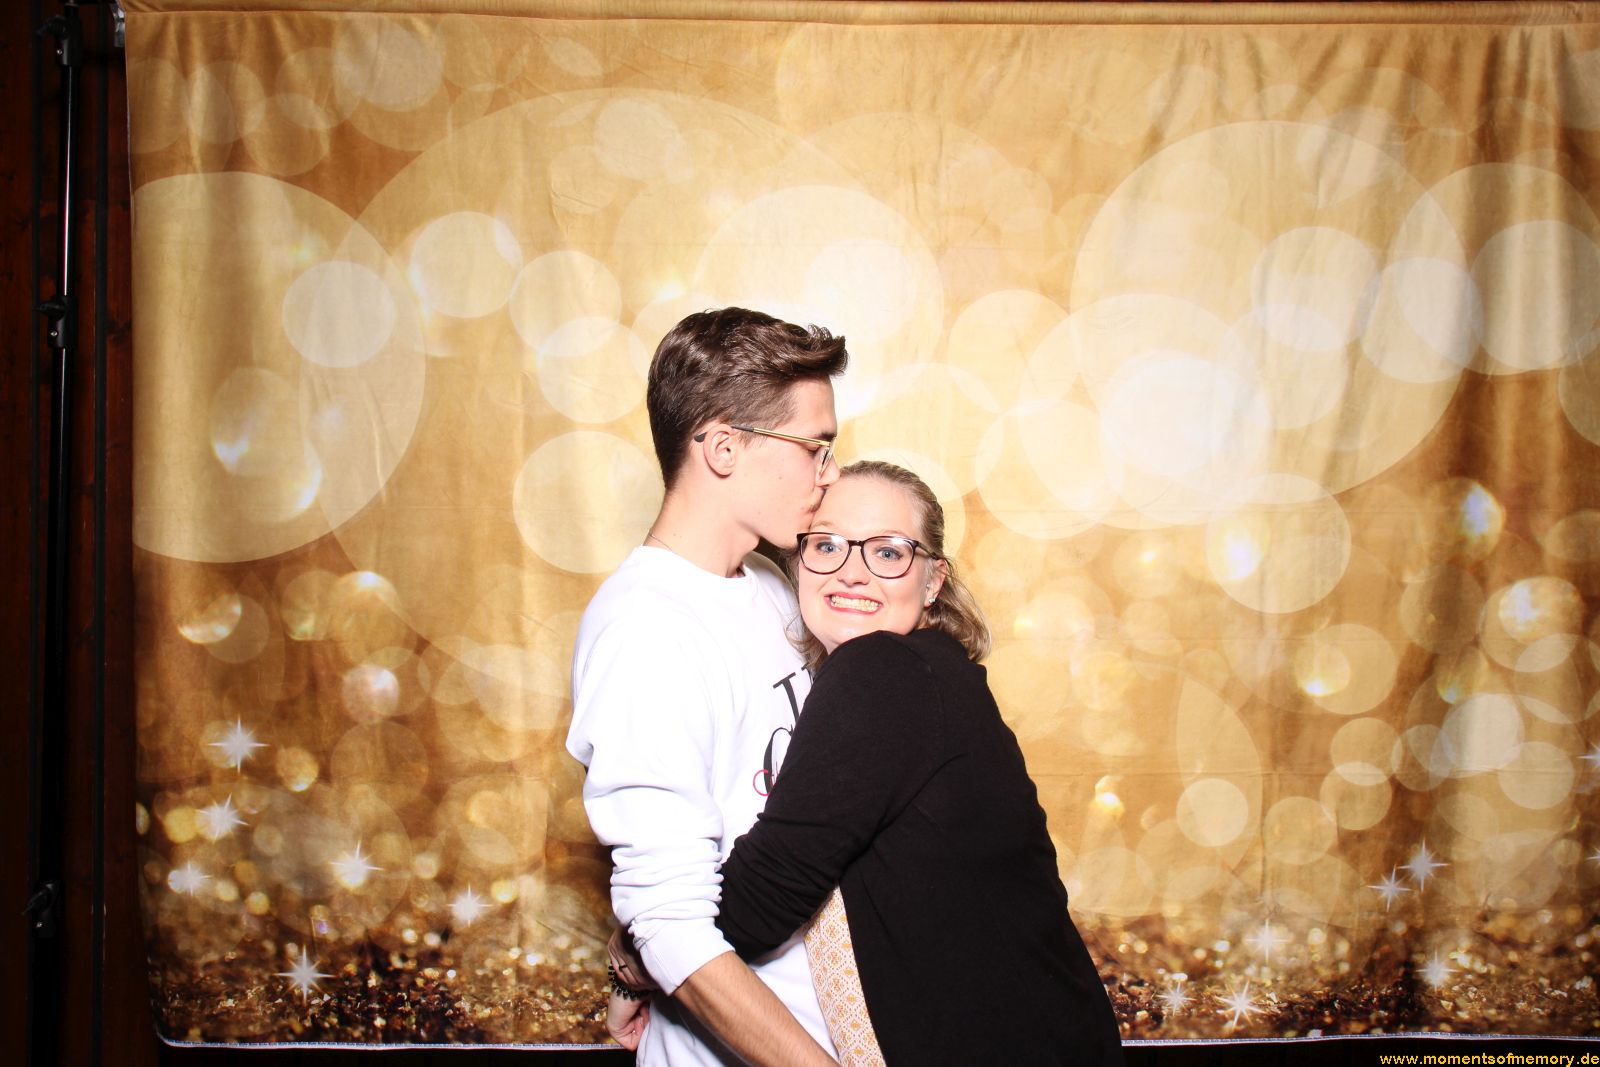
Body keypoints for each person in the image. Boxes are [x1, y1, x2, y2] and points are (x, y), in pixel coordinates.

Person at [713, 460, 1124, 1065]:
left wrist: (638, 956)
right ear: (799, 563)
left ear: (933, 580)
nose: (851, 571)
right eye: (827, 544)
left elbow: (762, 899)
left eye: (887, 552)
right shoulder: (929, 671)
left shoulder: (884, 671)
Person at [566, 307, 847, 1067]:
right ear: (724, 448)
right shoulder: (645, 631)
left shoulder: (769, 582)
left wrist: (629, 959)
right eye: (814, 448)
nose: (830, 473)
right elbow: (672, 924)